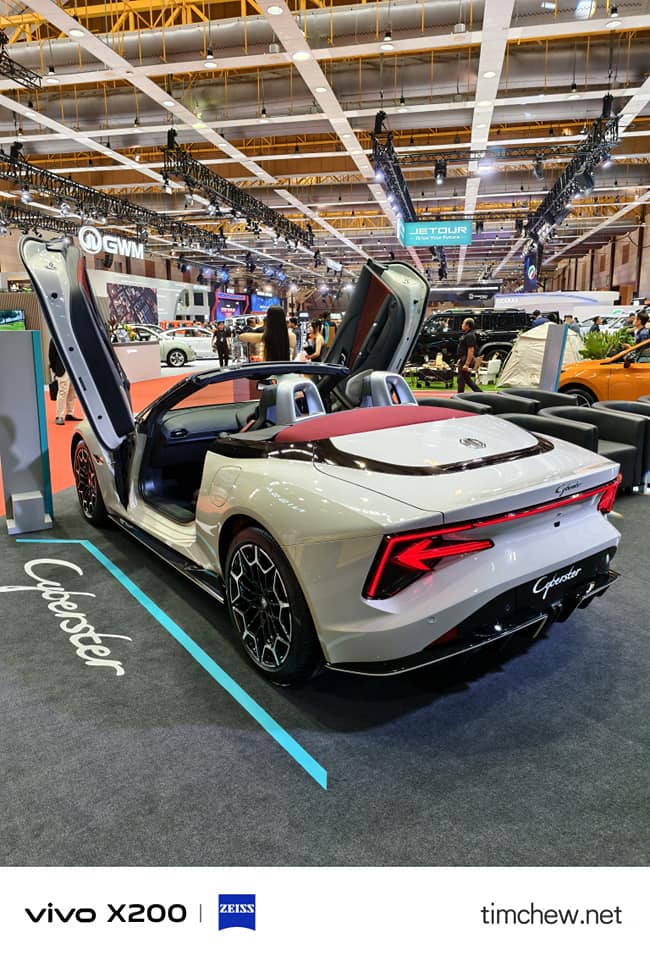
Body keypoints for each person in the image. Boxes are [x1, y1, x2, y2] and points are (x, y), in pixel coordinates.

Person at [48, 338, 82, 425]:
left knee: (72, 391)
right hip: (62, 368)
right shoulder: (55, 338)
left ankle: (70, 413)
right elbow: (51, 355)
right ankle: (59, 416)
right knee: (63, 391)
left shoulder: (72, 336)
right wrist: (55, 369)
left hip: (74, 367)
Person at [456, 317, 482, 393]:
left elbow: (471, 350)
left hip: (466, 359)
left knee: (461, 379)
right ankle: (479, 393)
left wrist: (467, 364)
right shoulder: (466, 335)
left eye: (463, 323)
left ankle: (459, 395)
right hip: (463, 358)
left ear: (467, 325)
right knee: (466, 379)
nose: (462, 325)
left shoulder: (470, 335)